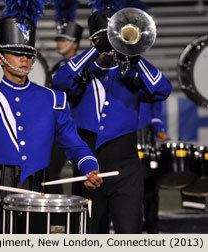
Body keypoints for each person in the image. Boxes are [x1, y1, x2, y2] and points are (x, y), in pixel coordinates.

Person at [0, 0, 102, 234]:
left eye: (29, 54)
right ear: (0, 57)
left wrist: (89, 167)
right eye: (17, 53)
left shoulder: (53, 99)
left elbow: (75, 145)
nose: (25, 59)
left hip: (40, 199)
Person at [52, 0, 172, 233]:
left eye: (113, 40)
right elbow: (60, 81)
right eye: (105, 40)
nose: (111, 46)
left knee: (129, 233)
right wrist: (96, 49)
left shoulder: (131, 72)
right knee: (91, 233)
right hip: (88, 162)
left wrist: (133, 54)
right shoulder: (81, 73)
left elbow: (162, 89)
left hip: (126, 162)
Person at [46, 0, 84, 194]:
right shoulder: (56, 67)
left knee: (83, 173)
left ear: (74, 43)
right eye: (58, 39)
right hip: (56, 126)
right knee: (50, 171)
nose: (58, 43)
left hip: (74, 126)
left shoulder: (82, 68)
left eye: (62, 39)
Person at [138, 101, 168, 234]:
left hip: (146, 145)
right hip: (124, 145)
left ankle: (152, 225)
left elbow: (155, 115)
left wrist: (159, 129)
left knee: (150, 188)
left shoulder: (152, 88)